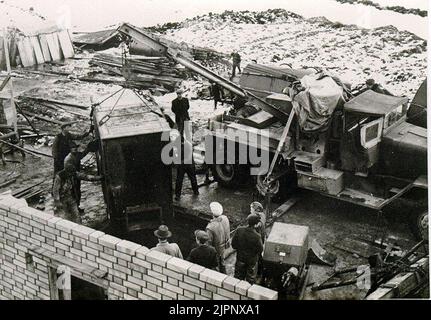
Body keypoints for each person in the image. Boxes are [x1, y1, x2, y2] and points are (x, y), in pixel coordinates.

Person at [231, 213, 263, 284]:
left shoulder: (239, 230)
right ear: (256, 224)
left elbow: (233, 245)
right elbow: (260, 250)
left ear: (247, 221)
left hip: (240, 259)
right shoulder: (257, 236)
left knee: (238, 279)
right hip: (251, 262)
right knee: (250, 281)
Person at [206, 202, 231, 273]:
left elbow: (208, 243)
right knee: (222, 262)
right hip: (223, 246)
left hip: (216, 249)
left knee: (215, 265)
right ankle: (224, 274)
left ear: (212, 213)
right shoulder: (225, 218)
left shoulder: (210, 227)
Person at [173, 133, 199, 201]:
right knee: (179, 180)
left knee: (193, 178)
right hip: (182, 165)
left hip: (189, 164)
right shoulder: (178, 145)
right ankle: (177, 195)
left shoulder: (189, 145)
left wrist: (180, 162)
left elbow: (189, 158)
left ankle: (196, 191)